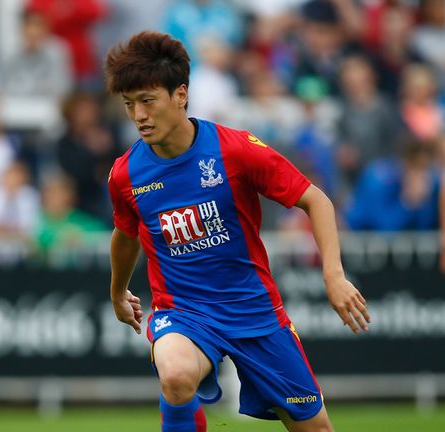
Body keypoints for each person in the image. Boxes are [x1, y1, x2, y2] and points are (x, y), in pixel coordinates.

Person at [104, 31, 370, 432]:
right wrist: (117, 292)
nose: (139, 115)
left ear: (180, 94)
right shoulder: (126, 173)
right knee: (175, 375)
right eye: (129, 105)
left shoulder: (235, 150)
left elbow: (317, 200)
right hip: (183, 312)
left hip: (255, 313)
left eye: (147, 101)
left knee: (316, 429)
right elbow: (126, 235)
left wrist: (333, 275)